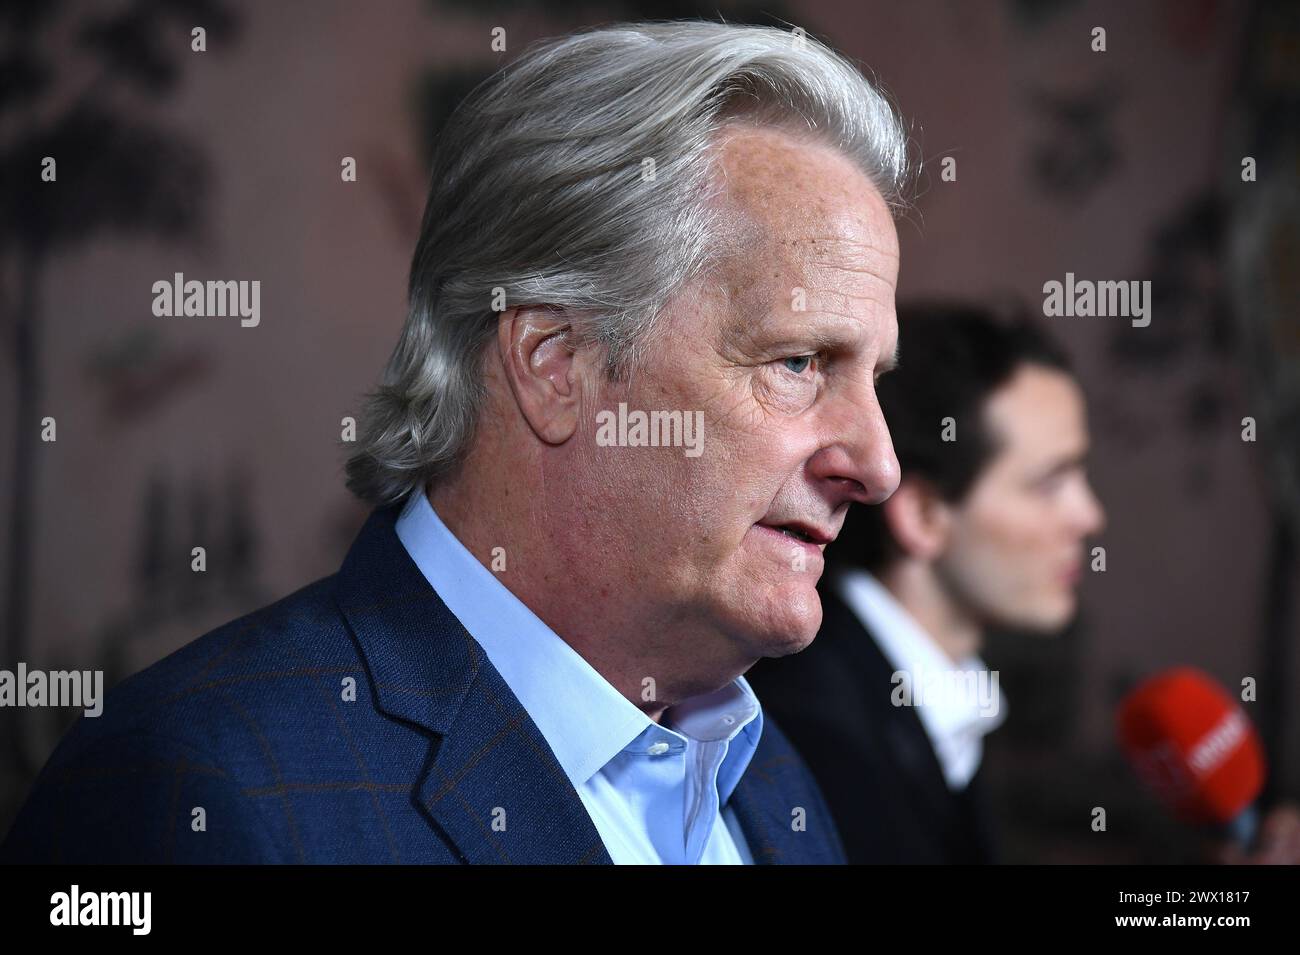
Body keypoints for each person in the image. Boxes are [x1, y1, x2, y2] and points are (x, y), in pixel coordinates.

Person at [1, 21, 909, 864]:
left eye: (876, 380)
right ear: (557, 364)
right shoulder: (200, 787)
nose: (878, 465)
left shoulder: (770, 780)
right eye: (797, 361)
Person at [748, 304, 1106, 863]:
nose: (1088, 517)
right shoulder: (816, 730)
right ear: (922, 515)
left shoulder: (924, 700)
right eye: (1048, 483)